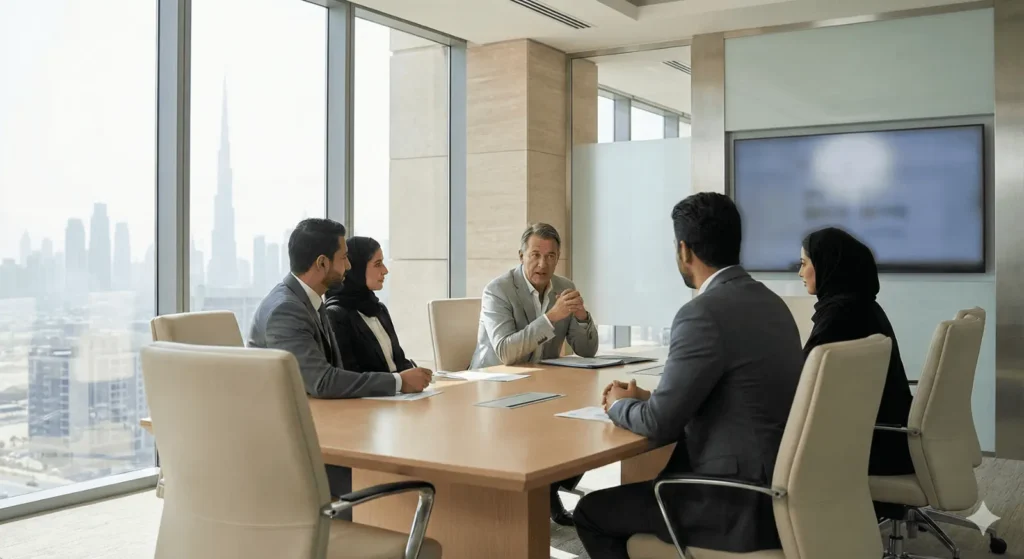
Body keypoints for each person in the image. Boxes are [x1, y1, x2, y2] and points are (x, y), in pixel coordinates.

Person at [574, 193, 804, 558]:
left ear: (684, 250)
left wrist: (618, 405)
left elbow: (660, 425)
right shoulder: (772, 304)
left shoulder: (702, 313)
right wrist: (649, 398)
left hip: (732, 501)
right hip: (783, 493)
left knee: (590, 512)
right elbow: (734, 393)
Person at [247, 218, 434, 514]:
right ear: (322, 263)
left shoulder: (309, 301)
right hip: (298, 451)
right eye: (344, 258)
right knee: (398, 475)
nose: (348, 267)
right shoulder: (287, 309)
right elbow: (321, 381)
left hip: (321, 426)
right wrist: (398, 382)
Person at [469, 222, 598, 527]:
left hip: (542, 385)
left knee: (587, 421)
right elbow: (505, 352)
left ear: (558, 258)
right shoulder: (498, 290)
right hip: (492, 387)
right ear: (521, 255)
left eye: (551, 256)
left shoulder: (564, 286)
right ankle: (532, 500)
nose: (543, 264)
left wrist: (581, 317)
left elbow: (588, 350)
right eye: (535, 255)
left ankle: (551, 487)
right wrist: (551, 317)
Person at [798, 227, 915, 480]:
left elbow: (803, 379)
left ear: (827, 264)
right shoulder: (863, 306)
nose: (800, 272)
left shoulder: (839, 316)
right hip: (890, 439)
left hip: (870, 448)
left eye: (804, 263)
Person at [324, 236, 416, 374]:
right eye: (378, 264)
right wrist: (399, 382)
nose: (385, 270)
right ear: (356, 269)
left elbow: (400, 362)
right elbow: (349, 376)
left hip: (399, 393)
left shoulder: (379, 309)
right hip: (373, 395)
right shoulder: (335, 315)